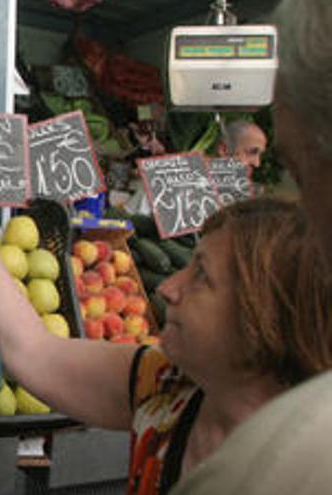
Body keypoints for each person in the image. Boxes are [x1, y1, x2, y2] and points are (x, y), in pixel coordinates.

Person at [0, 176, 332, 495]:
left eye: (202, 277)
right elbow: (34, 351)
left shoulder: (307, 470)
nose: (170, 288)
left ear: (262, 318)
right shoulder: (166, 388)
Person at [169, 0, 332, 493]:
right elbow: (38, 351)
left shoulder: (277, 460)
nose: (168, 290)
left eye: (296, 174)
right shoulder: (165, 397)